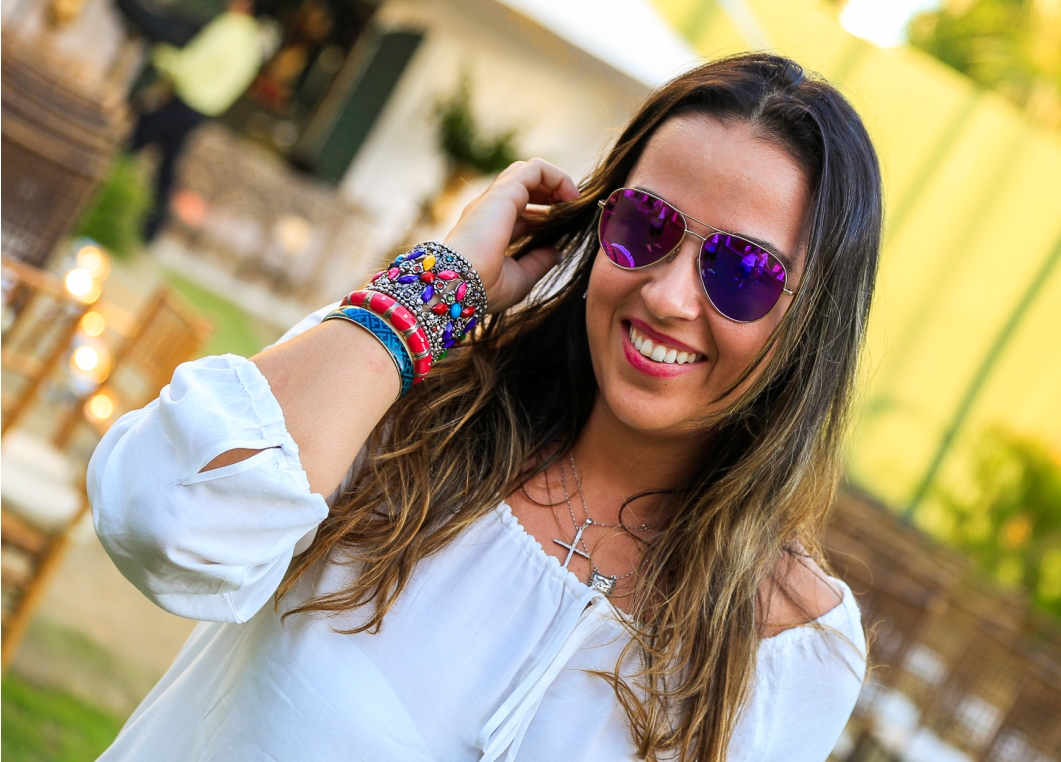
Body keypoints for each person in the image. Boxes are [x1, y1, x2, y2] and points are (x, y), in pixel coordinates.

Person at [89, 53, 882, 761]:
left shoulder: (795, 650)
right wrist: (436, 288)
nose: (668, 296)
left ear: (815, 322)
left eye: (743, 271)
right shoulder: (408, 397)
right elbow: (165, 522)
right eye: (646, 225)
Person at [122, 0, 264, 241]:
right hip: (205, 108)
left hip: (187, 96)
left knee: (134, 139)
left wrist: (163, 58)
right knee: (168, 161)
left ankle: (95, 183)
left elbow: (195, 64)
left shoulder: (229, 28)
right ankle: (151, 228)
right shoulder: (252, 44)